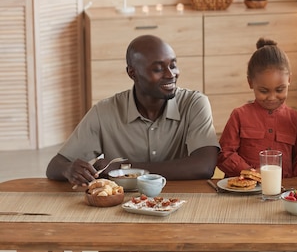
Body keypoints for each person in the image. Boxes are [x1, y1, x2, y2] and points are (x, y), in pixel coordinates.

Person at [46, 35, 220, 187]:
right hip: (123, 206)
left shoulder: (194, 103)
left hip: (182, 201)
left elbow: (204, 166)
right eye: (158, 69)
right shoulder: (105, 111)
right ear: (132, 73)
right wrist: (69, 170)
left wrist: (126, 169)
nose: (170, 74)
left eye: (173, 65)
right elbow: (55, 166)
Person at [218, 38, 297, 178]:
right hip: (244, 189)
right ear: (250, 83)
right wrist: (250, 173)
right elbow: (224, 154)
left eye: (280, 90)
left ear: (289, 81)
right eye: (264, 91)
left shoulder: (296, 120)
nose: (272, 97)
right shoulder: (239, 115)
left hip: (283, 190)